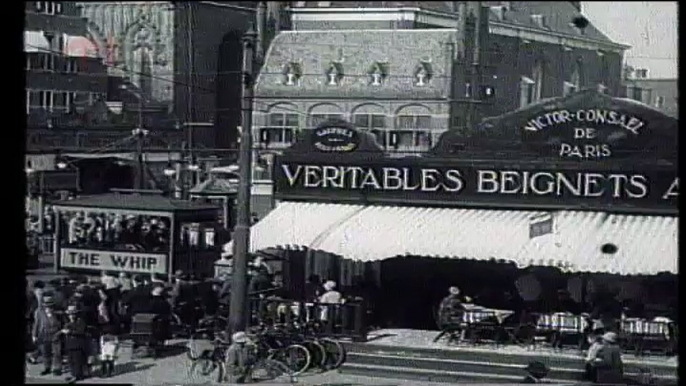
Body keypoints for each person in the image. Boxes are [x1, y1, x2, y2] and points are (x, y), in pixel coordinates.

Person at [32, 296, 64, 376]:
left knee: (57, 353)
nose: (48, 307)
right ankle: (47, 367)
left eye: (50, 305)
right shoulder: (39, 312)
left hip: (55, 334)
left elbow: (62, 324)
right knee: (45, 353)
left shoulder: (58, 313)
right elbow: (36, 324)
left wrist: (61, 332)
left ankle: (57, 368)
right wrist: (34, 335)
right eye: (46, 305)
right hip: (44, 334)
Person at [63, 304, 89, 383]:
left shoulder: (80, 321)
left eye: (72, 314)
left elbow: (81, 331)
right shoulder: (67, 322)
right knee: (71, 361)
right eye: (69, 314)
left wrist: (70, 332)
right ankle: (73, 374)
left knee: (77, 361)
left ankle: (77, 375)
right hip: (70, 344)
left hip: (78, 344)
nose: (71, 316)